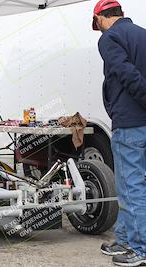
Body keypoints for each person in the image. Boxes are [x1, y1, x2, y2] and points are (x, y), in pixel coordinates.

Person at [93, 0, 146, 266]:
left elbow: (126, 74)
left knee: (131, 186)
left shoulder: (109, 38)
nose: (98, 29)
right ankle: (125, 239)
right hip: (141, 122)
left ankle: (140, 249)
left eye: (97, 23)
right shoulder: (143, 34)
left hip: (130, 122)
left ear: (102, 17)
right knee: (131, 185)